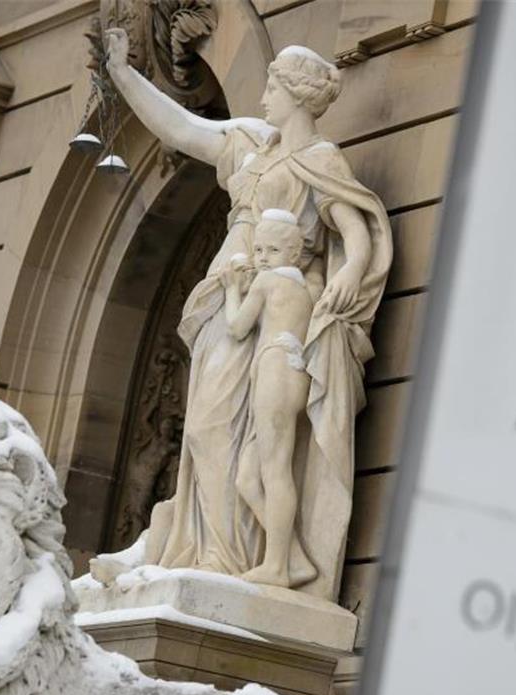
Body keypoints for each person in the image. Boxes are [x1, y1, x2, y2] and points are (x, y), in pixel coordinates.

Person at [103, 30, 392, 601]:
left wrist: (348, 275)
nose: (261, 97)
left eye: (271, 86)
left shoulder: (319, 159)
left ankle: (234, 555)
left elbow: (357, 233)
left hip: (269, 310)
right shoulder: (251, 144)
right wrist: (123, 76)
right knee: (206, 428)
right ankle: (199, 544)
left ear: (296, 95)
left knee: (230, 431)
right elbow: (183, 129)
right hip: (226, 296)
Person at [223, 211, 317, 587]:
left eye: (273, 249)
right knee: (248, 477)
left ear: (294, 253)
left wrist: (233, 287)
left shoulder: (267, 282)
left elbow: (237, 327)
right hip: (291, 373)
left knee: (275, 470)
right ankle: (294, 558)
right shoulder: (304, 290)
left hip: (276, 370)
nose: (262, 257)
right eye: (258, 248)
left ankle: (276, 567)